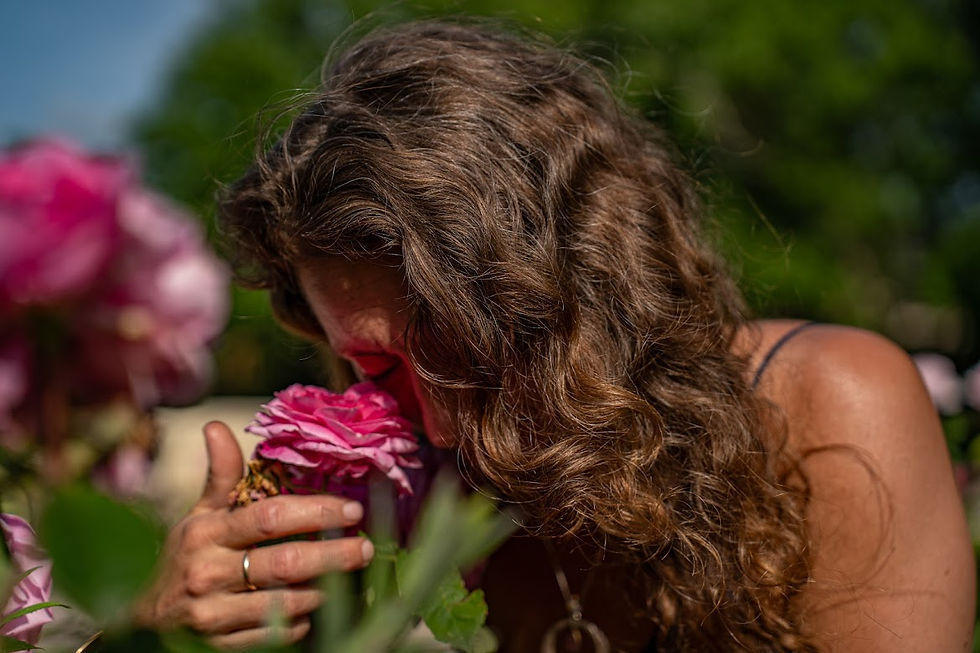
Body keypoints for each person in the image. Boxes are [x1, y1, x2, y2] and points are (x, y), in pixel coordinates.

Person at [135, 19, 975, 651]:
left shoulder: (830, 404)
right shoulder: (412, 503)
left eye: (463, 347)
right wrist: (158, 626)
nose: (440, 427)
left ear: (587, 287)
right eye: (377, 367)